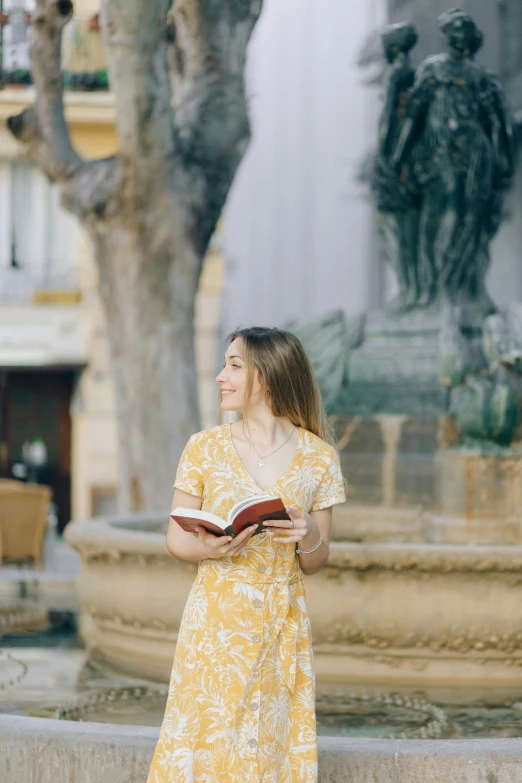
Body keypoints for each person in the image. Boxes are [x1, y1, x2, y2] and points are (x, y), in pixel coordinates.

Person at [147, 326, 346, 783]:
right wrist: (207, 546)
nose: (221, 376)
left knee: (269, 743)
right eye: (224, 364)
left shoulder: (318, 458)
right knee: (207, 740)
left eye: (234, 366)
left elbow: (315, 562)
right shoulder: (204, 447)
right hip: (216, 618)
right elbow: (175, 539)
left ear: (269, 375)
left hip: (282, 618)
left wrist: (310, 532)